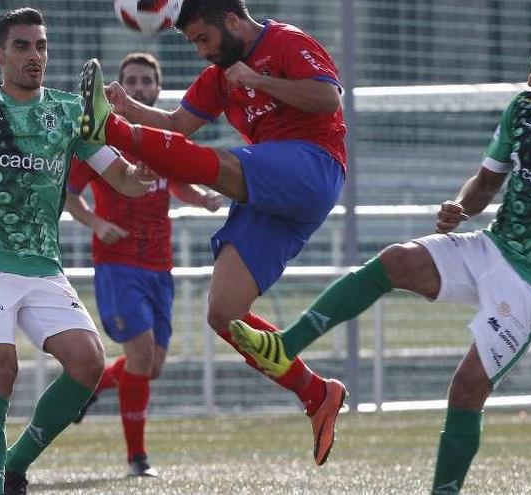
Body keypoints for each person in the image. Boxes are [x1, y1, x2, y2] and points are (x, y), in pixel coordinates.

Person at [229, 29, 531, 494]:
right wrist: (462, 205)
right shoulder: (524, 111)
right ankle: (286, 346)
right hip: (494, 246)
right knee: (396, 260)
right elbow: (486, 183)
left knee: (467, 389)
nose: (530, 79)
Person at [78, 0, 348, 466]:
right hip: (269, 192)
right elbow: (178, 125)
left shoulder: (285, 41)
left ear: (232, 20)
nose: (201, 51)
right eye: (193, 43)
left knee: (220, 164)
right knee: (225, 314)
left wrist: (260, 80)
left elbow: (329, 99)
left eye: (203, 38)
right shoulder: (220, 73)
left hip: (312, 165)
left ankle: (108, 131)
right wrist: (129, 107)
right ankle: (316, 391)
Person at [0, 8, 155, 495]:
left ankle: (16, 463)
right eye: (22, 46)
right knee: (0, 367)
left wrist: (142, 175)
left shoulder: (67, 113)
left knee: (88, 363)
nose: (34, 55)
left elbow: (120, 175)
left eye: (40, 45)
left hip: (41, 264)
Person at [65, 51, 221, 477]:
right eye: (130, 81)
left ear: (157, 88)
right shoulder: (102, 138)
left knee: (151, 366)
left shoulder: (165, 136)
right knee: (139, 356)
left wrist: (202, 197)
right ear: (116, 89)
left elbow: (176, 181)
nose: (138, 88)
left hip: (159, 265)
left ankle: (93, 386)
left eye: (145, 82)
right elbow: (69, 193)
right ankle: (137, 458)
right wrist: (97, 223)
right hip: (119, 264)